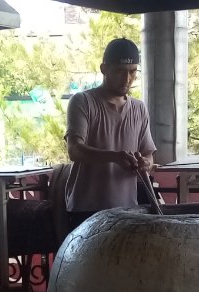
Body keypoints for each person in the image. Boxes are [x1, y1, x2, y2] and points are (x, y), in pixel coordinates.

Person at [64, 37, 157, 228]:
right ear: (104, 69)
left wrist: (145, 164)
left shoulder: (139, 108)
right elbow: (74, 150)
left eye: (132, 72)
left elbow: (148, 153)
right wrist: (115, 157)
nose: (127, 78)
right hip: (87, 209)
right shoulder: (83, 102)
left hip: (128, 209)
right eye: (119, 71)